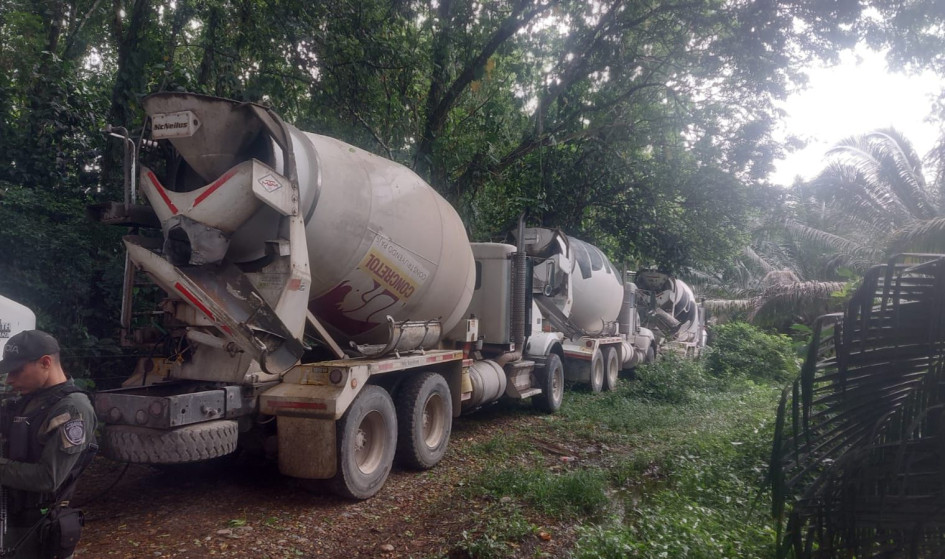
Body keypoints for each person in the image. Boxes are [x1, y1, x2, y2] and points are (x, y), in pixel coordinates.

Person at [0, 330, 97, 558]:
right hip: (11, 517)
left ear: (45, 363)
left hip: (36, 528)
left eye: (17, 371)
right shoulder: (29, 399)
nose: (9, 380)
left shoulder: (72, 409)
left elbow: (47, 478)